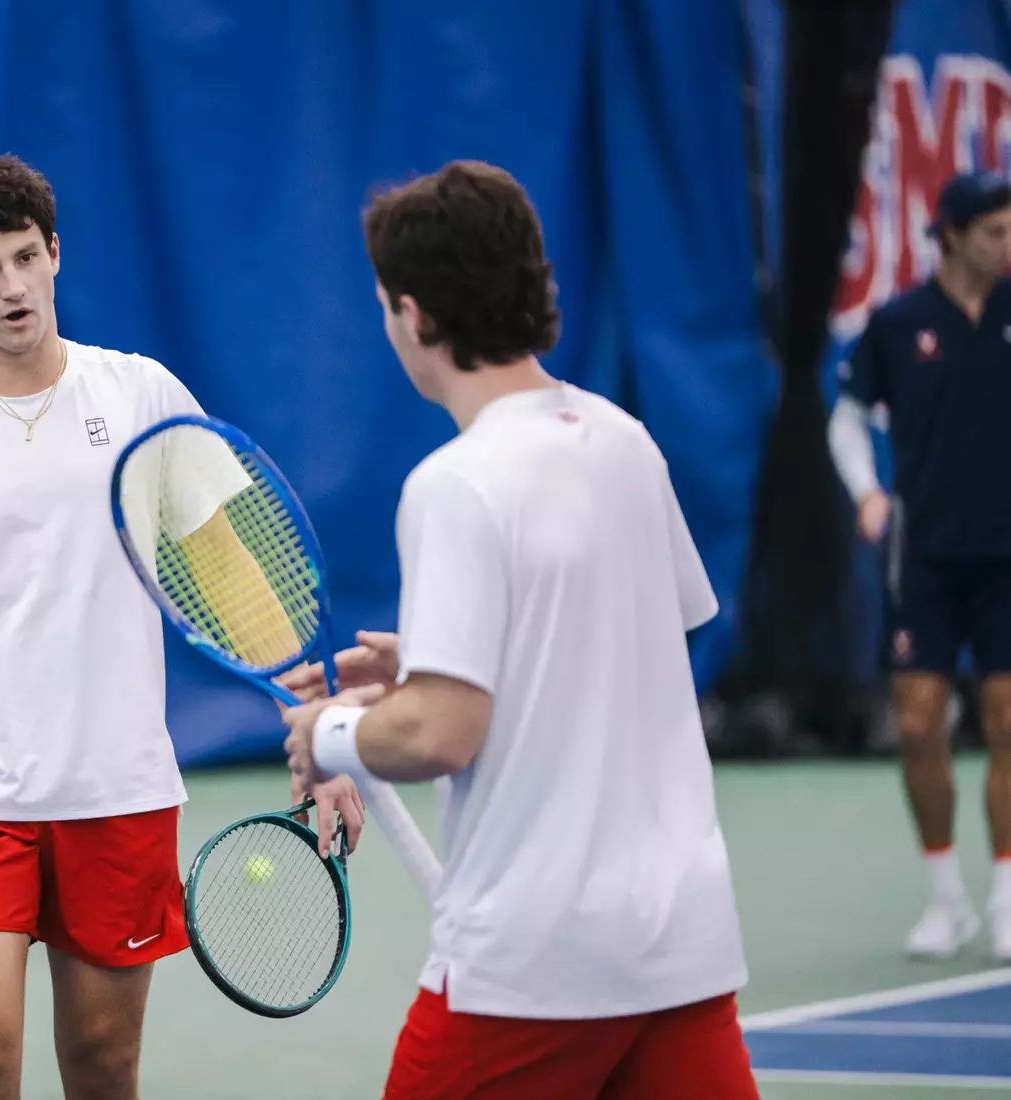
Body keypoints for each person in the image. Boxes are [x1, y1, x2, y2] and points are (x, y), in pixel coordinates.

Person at [0, 154, 362, 1100]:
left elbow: (235, 583)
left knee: (104, 1068)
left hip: (116, 782)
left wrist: (321, 739)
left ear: (56, 253)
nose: (13, 286)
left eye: (26, 256)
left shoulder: (139, 395)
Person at [277, 161, 758, 1099]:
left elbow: (441, 734)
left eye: (384, 308)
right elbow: (628, 640)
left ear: (416, 316)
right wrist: (423, 662)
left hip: (532, 968)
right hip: (682, 946)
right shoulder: (622, 438)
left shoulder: (455, 484)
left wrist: (328, 733)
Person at [827, 168, 1011, 962]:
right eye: (995, 233)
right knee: (915, 722)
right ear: (951, 234)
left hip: (1009, 557)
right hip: (925, 558)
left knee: (1008, 720)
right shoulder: (898, 324)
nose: (1007, 246)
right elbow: (845, 420)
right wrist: (869, 493)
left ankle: (1006, 896)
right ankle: (945, 900)